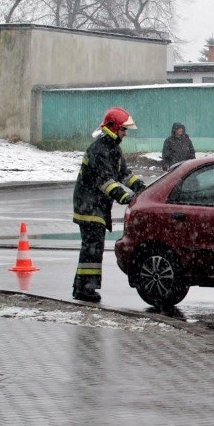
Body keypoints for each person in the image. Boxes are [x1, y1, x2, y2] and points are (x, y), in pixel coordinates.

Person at [72, 107, 146, 302]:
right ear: (113, 128)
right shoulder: (100, 150)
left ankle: (82, 287)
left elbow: (124, 174)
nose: (125, 133)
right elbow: (105, 182)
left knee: (92, 247)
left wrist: (142, 188)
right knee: (92, 248)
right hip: (89, 206)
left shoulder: (112, 148)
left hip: (96, 205)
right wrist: (127, 198)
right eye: (123, 129)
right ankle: (84, 289)